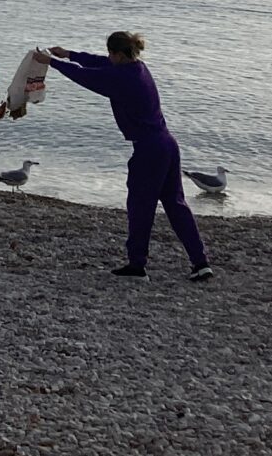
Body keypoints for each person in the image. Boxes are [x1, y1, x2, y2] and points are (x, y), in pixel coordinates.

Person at [47, 32, 214, 282]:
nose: (107, 57)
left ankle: (137, 266)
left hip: (148, 149)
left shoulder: (122, 78)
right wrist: (69, 54)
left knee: (140, 206)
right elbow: (98, 64)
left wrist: (52, 63)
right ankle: (200, 263)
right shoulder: (137, 68)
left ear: (118, 54)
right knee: (175, 204)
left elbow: (87, 77)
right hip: (167, 144)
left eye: (110, 54)